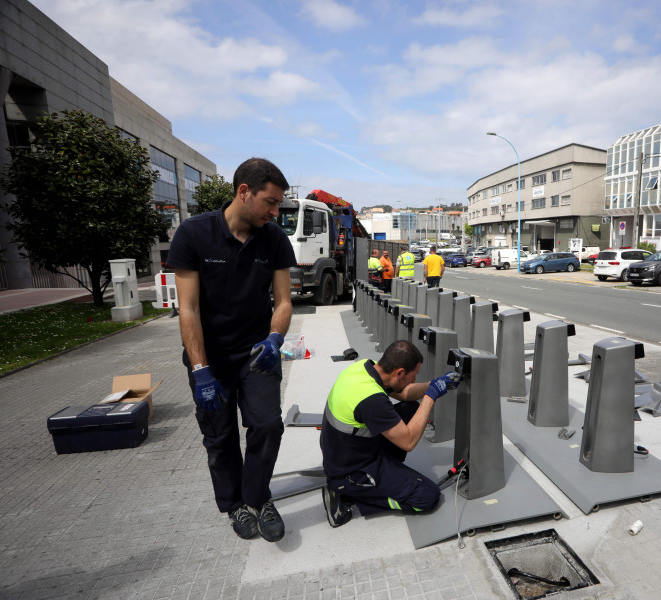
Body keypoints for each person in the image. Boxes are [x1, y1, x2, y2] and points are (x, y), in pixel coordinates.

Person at [167, 157, 296, 543]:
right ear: (244, 192)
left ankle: (258, 499)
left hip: (257, 353)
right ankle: (234, 504)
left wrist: (275, 338)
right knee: (219, 437)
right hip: (211, 359)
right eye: (271, 202)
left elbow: (284, 301)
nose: (275, 212)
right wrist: (199, 369)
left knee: (268, 425)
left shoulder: (273, 238)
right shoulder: (193, 235)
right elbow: (187, 308)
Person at [319, 340, 460, 527]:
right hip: (352, 470)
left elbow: (404, 394)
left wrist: (436, 384)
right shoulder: (372, 400)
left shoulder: (363, 368)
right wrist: (430, 397)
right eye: (413, 376)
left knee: (410, 409)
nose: (414, 380)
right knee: (427, 496)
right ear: (400, 372)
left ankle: (387, 475)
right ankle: (347, 493)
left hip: (348, 450)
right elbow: (408, 442)